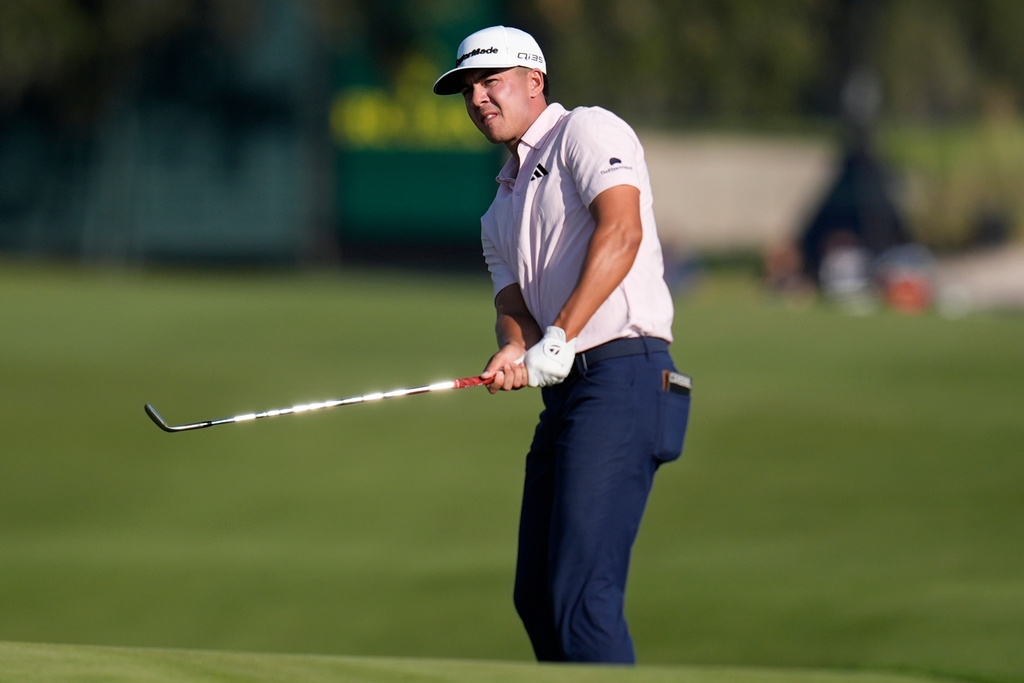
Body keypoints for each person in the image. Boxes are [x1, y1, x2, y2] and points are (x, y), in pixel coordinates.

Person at [433, 25, 691, 664]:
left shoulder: (587, 131)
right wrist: (512, 347)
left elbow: (622, 231)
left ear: (533, 81)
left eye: (490, 82)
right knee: (538, 594)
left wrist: (559, 335)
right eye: (468, 89)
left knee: (581, 592)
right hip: (571, 390)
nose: (478, 99)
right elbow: (513, 308)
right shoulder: (498, 208)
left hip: (627, 373)